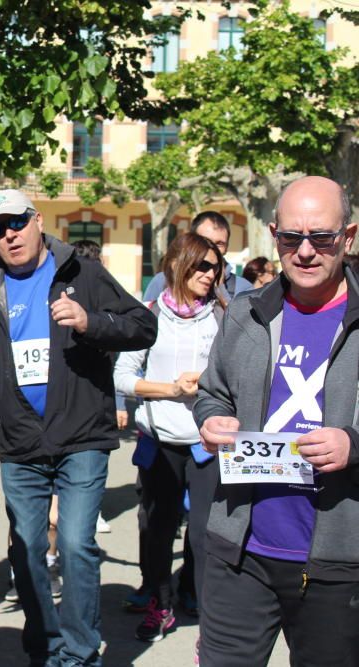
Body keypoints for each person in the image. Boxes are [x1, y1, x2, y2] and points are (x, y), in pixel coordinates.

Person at [0, 189, 156, 666]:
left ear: (38, 220)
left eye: (17, 223)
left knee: (79, 544)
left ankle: (81, 654)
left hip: (82, 436)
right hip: (21, 444)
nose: (10, 235)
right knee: (27, 551)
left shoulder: (82, 273)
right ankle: (45, 646)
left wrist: (91, 322)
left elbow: (143, 325)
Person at [196, 176, 359, 666]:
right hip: (240, 552)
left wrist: (355, 444)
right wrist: (213, 421)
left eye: (321, 238)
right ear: (274, 235)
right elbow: (212, 394)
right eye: (291, 238)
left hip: (338, 563)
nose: (305, 251)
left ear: (348, 238)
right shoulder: (245, 313)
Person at [114, 233, 225, 642]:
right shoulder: (149, 316)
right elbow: (123, 377)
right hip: (159, 442)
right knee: (157, 530)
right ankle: (160, 605)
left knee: (204, 534)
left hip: (207, 445)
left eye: (215, 267)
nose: (210, 274)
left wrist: (209, 384)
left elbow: (239, 377)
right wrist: (170, 390)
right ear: (178, 266)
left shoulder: (223, 317)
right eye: (202, 266)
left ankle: (207, 614)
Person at [143, 211, 253, 302]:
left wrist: (221, 292)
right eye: (205, 241)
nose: (212, 248)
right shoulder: (163, 281)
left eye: (219, 243)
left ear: (227, 247)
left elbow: (244, 327)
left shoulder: (242, 288)